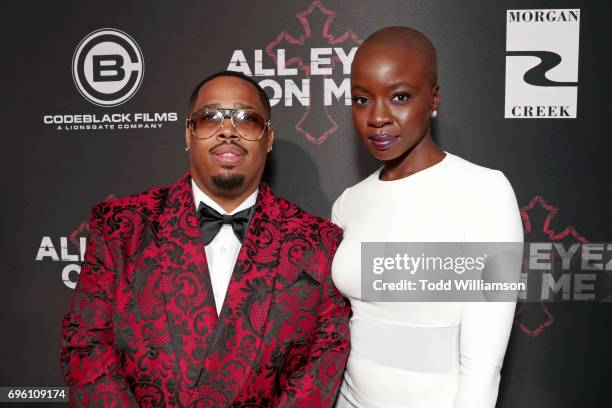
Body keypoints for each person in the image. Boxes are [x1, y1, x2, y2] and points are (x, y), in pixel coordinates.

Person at [61, 70, 350, 407]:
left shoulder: (318, 242)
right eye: (209, 117)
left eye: (247, 119)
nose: (227, 130)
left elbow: (324, 360)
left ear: (268, 138)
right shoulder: (121, 227)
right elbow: (86, 344)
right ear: (188, 133)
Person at [331, 27, 524, 407]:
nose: (378, 118)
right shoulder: (349, 202)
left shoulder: (485, 191)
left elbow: (483, 365)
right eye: (362, 99)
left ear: (434, 97)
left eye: (399, 97)